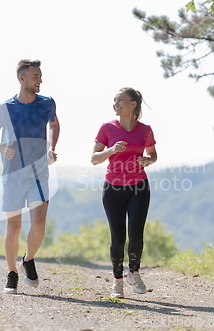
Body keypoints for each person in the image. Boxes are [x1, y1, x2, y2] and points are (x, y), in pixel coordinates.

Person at [0, 59, 60, 294]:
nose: (40, 80)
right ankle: (12, 273)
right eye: (36, 76)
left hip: (39, 172)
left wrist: (51, 147)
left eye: (40, 75)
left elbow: (54, 125)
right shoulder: (5, 107)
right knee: (13, 227)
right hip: (13, 174)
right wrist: (2, 149)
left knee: (38, 224)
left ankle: (28, 259)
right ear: (22, 79)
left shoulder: (47, 103)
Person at [91, 87, 157, 299]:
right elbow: (94, 158)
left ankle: (134, 273)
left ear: (133, 104)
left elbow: (153, 154)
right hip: (113, 189)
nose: (116, 104)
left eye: (121, 100)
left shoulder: (145, 130)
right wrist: (111, 151)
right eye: (114, 100)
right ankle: (117, 282)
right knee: (118, 239)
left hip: (139, 186)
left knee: (136, 236)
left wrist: (148, 160)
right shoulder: (107, 128)